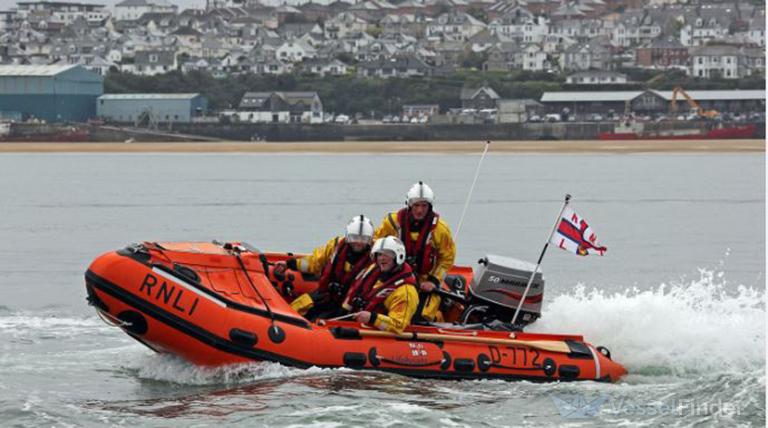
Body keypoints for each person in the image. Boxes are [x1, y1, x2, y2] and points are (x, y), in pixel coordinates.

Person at [374, 181, 456, 323]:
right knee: (374, 303)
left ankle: (439, 318)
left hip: (424, 280)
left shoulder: (440, 230)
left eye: (424, 206)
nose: (420, 210)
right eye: (416, 205)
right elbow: (376, 244)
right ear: (409, 205)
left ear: (430, 207)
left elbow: (447, 258)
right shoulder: (393, 223)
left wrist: (433, 281)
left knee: (422, 316)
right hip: (394, 274)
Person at [279, 215, 375, 319]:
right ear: (348, 236)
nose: (359, 242)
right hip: (327, 295)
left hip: (349, 306)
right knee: (299, 305)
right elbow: (315, 262)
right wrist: (290, 264)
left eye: (364, 239)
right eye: (355, 237)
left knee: (322, 320)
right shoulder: (336, 245)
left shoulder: (375, 256)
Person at [341, 236, 419, 334]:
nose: (381, 258)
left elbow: (398, 326)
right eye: (379, 254)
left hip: (380, 335)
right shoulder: (375, 272)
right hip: (359, 325)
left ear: (399, 256)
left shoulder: (406, 291)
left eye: (387, 254)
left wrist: (372, 318)